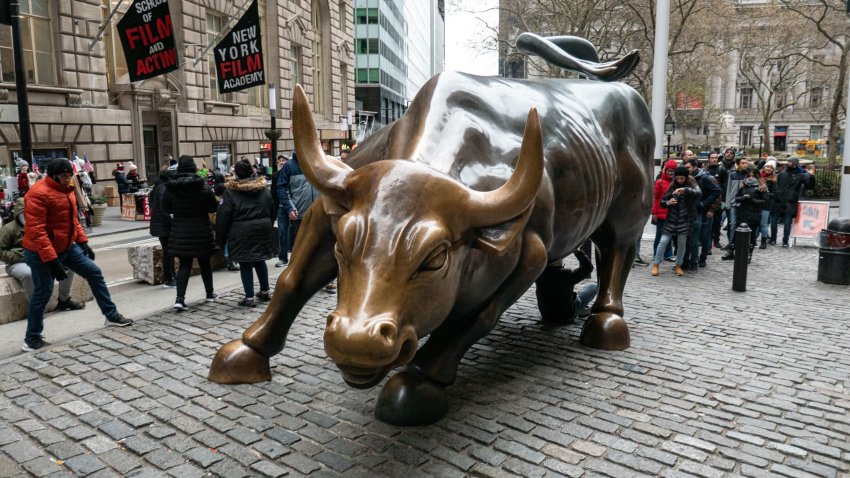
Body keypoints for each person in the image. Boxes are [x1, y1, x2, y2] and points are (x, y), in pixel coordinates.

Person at [21, 158, 132, 351]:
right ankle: (32, 339)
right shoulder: (38, 194)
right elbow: (37, 231)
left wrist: (83, 242)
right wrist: (52, 260)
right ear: (54, 176)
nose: (68, 179)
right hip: (40, 252)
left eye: (70, 175)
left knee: (94, 273)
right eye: (64, 176)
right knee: (43, 293)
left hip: (66, 246)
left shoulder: (68, 190)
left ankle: (111, 315)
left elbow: (73, 220)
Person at [0, 198, 84, 311]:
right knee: (29, 273)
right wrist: (20, 256)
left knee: (69, 264)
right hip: (17, 262)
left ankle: (64, 300)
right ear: (19, 213)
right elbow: (1, 251)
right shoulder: (8, 229)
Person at [163, 156, 219, 310]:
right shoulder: (203, 185)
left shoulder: (172, 187)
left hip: (180, 229)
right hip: (201, 228)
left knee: (184, 265)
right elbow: (213, 207)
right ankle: (209, 294)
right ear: (194, 168)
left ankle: (180, 299)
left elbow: (166, 208)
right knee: (205, 263)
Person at [217, 160, 275, 307]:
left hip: (241, 231)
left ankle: (249, 297)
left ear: (236, 173)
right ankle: (265, 290)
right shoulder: (263, 189)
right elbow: (272, 210)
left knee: (245, 263)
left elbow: (223, 217)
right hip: (262, 229)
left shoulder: (230, 192)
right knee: (260, 260)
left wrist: (221, 239)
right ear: (252, 171)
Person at [651, 166, 701, 277]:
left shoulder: (691, 183)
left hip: (685, 219)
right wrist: (668, 202)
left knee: (682, 244)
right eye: (678, 178)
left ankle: (679, 265)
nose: (679, 180)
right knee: (663, 241)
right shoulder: (672, 185)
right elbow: (663, 201)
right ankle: (656, 264)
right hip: (671, 219)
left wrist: (685, 190)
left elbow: (699, 193)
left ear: (686, 177)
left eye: (682, 178)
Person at [535, 249, 597, 324]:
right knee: (593, 286)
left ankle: (582, 309)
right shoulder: (566, 274)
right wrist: (578, 252)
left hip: (546, 315)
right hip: (566, 317)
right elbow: (588, 268)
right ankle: (582, 310)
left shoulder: (539, 273)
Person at [683, 158, 720, 271]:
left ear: (694, 167)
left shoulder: (705, 177)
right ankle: (687, 261)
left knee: (704, 237)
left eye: (688, 167)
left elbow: (717, 192)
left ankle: (702, 259)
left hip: (703, 212)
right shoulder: (685, 178)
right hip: (690, 211)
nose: (686, 169)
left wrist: (705, 205)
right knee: (689, 238)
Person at [729, 166, 768, 262]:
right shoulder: (743, 185)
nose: (751, 177)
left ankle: (749, 254)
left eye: (753, 175)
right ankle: (732, 251)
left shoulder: (761, 186)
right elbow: (736, 197)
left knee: (752, 235)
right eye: (749, 175)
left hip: (754, 213)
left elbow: (765, 201)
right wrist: (742, 198)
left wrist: (753, 199)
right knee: (737, 233)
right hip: (742, 212)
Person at [775, 157, 814, 247]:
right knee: (775, 220)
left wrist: (811, 176)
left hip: (791, 201)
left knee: (787, 222)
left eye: (790, 161)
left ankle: (785, 241)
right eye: (787, 161)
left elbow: (810, 186)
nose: (788, 163)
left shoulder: (801, 174)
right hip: (780, 200)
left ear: (795, 163)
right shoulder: (782, 173)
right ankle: (773, 239)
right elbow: (778, 185)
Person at [148, 167, 177, 288]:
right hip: (164, 225)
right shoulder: (163, 187)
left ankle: (171, 276)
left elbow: (152, 205)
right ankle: (169, 278)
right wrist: (172, 220)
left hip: (160, 224)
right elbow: (163, 208)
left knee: (168, 251)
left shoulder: (157, 187)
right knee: (169, 252)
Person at [651, 160, 678, 263]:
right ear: (665, 170)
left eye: (673, 171)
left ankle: (668, 254)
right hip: (661, 213)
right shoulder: (660, 182)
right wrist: (654, 213)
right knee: (659, 236)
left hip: (672, 213)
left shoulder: (676, 182)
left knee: (669, 235)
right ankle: (656, 255)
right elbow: (655, 198)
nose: (671, 173)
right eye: (669, 170)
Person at [722, 157, 749, 254]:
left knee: (742, 223)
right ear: (738, 164)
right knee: (732, 223)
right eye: (743, 163)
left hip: (743, 202)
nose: (745, 165)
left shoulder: (748, 175)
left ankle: (741, 243)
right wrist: (727, 203)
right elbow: (728, 189)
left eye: (746, 163)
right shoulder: (732, 175)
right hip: (733, 202)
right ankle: (731, 243)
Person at [704, 152, 727, 248]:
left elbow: (725, 186)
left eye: (716, 158)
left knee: (717, 222)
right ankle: (705, 240)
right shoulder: (705, 170)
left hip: (720, 200)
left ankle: (716, 240)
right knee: (707, 221)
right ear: (709, 159)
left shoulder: (722, 170)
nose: (714, 159)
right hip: (708, 199)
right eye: (712, 158)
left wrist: (724, 202)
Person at [273, 155, 290, 267]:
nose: (281, 162)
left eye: (284, 161)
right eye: (279, 161)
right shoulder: (276, 175)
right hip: (281, 206)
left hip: (295, 205)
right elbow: (274, 191)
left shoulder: (292, 171)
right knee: (282, 232)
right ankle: (283, 257)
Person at [761, 159, 779, 248]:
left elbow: (775, 194)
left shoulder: (773, 180)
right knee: (755, 223)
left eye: (771, 168)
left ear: (773, 170)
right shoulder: (758, 177)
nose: (768, 169)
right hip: (755, 203)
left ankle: (763, 241)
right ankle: (753, 240)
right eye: (767, 166)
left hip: (766, 204)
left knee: (764, 224)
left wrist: (766, 193)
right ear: (764, 167)